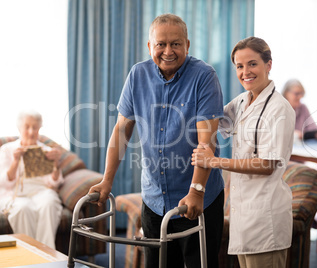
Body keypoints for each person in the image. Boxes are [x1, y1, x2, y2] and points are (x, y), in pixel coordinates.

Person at [88, 14, 224, 268]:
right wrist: (107, 179)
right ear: (150, 46)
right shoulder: (137, 74)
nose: (168, 51)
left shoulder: (204, 76)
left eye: (176, 44)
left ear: (187, 45)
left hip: (197, 196)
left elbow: (206, 142)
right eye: (161, 44)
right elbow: (121, 131)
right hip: (154, 198)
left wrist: (196, 191)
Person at [192, 37, 295, 268]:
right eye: (239, 66)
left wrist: (214, 161)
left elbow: (267, 165)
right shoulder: (241, 101)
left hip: (265, 219)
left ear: (268, 64)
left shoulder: (279, 109)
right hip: (244, 216)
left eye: (252, 64)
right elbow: (213, 121)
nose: (245, 72)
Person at [0, 110, 63, 249]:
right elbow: (3, 182)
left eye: (35, 127)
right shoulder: (7, 150)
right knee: (23, 208)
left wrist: (56, 164)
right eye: (27, 127)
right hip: (14, 194)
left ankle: (47, 253)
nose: (31, 131)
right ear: (19, 128)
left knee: (50, 202)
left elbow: (55, 183)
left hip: (41, 192)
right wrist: (15, 162)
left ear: (39, 129)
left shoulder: (46, 150)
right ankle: (29, 254)